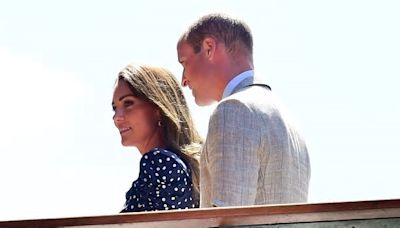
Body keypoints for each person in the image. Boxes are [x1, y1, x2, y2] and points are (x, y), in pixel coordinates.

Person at [177, 13, 311, 208]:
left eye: (184, 62)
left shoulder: (234, 111)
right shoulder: (289, 122)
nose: (183, 80)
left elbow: (227, 218)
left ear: (209, 48)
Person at [112, 64, 203, 212]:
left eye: (128, 103)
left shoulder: (159, 162)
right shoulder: (181, 163)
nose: (117, 117)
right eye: (115, 108)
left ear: (158, 108)